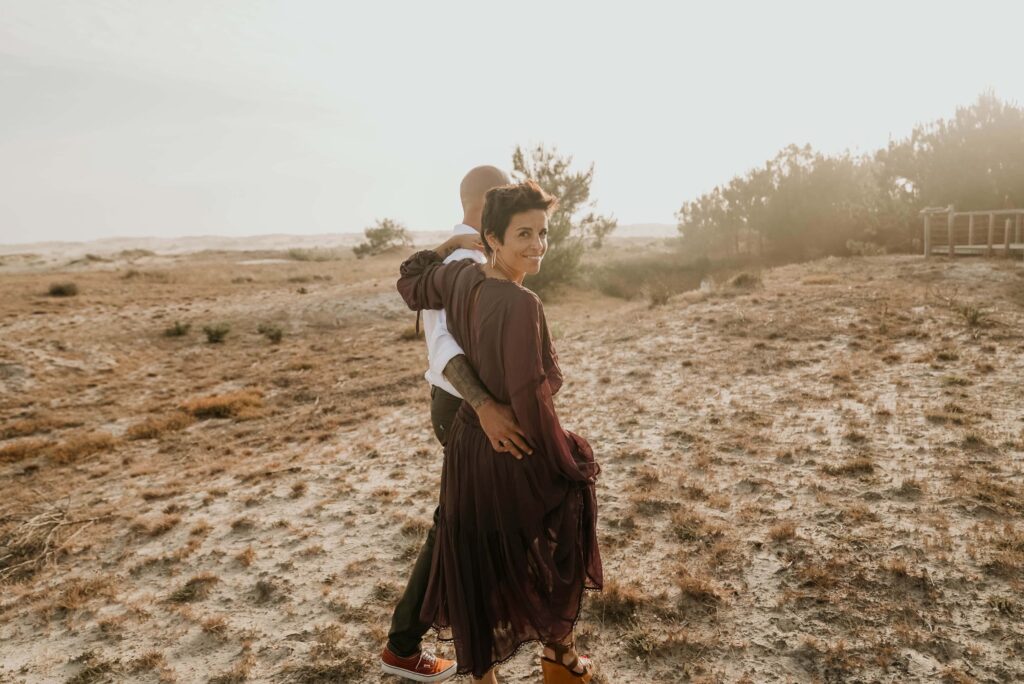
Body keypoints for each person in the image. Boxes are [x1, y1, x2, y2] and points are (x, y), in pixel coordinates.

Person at [396, 180, 602, 683]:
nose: (537, 246)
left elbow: (409, 280)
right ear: (492, 237)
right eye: (524, 235)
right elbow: (530, 396)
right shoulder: (519, 304)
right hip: (508, 442)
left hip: (466, 442)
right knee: (557, 529)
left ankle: (490, 675)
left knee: (476, 553)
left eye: (543, 233)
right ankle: (560, 658)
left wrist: (449, 248)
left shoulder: (459, 276)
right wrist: (564, 457)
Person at [381, 166, 534, 683]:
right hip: (463, 409)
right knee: (461, 527)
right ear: (491, 202)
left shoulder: (475, 254)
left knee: (459, 522)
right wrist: (487, 408)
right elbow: (442, 347)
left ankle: (410, 645)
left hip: (476, 407)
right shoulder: (463, 258)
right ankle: (426, 648)